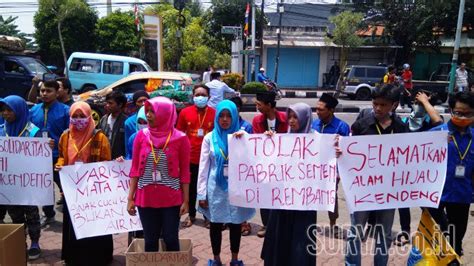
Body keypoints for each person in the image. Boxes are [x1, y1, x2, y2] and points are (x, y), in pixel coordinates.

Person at [345, 84, 408, 266]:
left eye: (383, 104)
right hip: (363, 189)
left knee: (384, 234)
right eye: (375, 104)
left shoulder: (401, 128)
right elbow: (349, 151)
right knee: (355, 232)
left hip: (389, 191)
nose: (378, 108)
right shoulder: (361, 125)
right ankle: (351, 264)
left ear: (394, 105)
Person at [127, 97, 191, 252]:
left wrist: (186, 200)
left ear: (165, 113)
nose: (148, 115)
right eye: (147, 111)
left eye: (152, 112)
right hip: (145, 197)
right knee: (150, 241)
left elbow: (184, 172)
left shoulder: (181, 138)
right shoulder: (141, 136)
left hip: (171, 198)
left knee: (170, 239)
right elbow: (135, 169)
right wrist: (130, 198)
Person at [197, 100, 255, 266]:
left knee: (236, 224)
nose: (224, 119)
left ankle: (235, 259)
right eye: (221, 115)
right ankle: (216, 259)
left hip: (237, 187)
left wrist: (244, 141)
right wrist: (201, 193)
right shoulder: (209, 138)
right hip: (216, 188)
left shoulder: (242, 136)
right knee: (215, 224)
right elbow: (203, 167)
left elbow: (256, 158)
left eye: (229, 116)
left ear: (235, 117)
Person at [55, 102, 113, 265]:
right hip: (72, 188)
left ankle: (98, 257)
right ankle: (73, 256)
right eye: (75, 116)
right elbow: (61, 155)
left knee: (94, 222)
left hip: (93, 189)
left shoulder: (99, 137)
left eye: (82, 116)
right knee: (74, 223)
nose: (78, 120)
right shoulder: (65, 136)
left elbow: (106, 162)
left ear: (89, 117)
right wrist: (59, 164)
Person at [261, 102, 317, 266]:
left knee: (300, 240)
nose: (291, 121)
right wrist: (268, 142)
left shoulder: (316, 140)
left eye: (296, 117)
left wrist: (335, 149)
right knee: (280, 235)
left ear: (305, 118)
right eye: (289, 116)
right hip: (283, 200)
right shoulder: (283, 138)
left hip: (304, 202)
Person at [428, 92, 474, 256]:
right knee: (429, 239)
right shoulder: (435, 134)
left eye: (468, 114)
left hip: (462, 196)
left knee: (456, 240)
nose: (463, 117)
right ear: (451, 110)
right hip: (435, 196)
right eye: (458, 113)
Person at [0, 96, 44, 260]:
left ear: (19, 110)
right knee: (15, 215)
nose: (5, 113)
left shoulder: (33, 131)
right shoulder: (1, 130)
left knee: (31, 214)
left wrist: (46, 147)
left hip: (28, 184)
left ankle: (35, 242)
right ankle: (20, 241)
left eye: (9, 110)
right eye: (3, 110)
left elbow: (40, 157)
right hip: (9, 185)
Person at [30, 80, 70, 227]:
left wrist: (59, 144)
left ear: (56, 91)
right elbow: (29, 132)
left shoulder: (66, 111)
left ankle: (71, 215)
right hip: (39, 157)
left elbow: (70, 135)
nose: (44, 94)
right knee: (43, 187)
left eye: (48, 91)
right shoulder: (34, 111)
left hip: (58, 157)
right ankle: (49, 214)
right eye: (42, 91)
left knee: (65, 187)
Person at [176, 84, 216, 228]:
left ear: (209, 97)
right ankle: (191, 215)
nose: (200, 97)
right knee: (190, 188)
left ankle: (207, 216)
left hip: (208, 159)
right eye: (197, 95)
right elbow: (179, 135)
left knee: (207, 188)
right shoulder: (185, 112)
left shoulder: (214, 113)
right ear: (193, 96)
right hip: (189, 158)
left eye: (203, 95)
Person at [311, 93, 349, 238]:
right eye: (316, 109)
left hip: (332, 171)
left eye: (321, 109)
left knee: (330, 198)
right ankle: (309, 224)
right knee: (311, 196)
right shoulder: (314, 124)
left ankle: (333, 224)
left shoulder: (342, 127)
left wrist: (339, 172)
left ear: (331, 110)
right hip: (313, 169)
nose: (317, 112)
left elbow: (346, 151)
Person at [252, 91, 288, 238]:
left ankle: (280, 225)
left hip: (283, 165)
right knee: (265, 196)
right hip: (265, 165)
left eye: (259, 105)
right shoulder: (256, 121)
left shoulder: (285, 118)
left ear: (268, 105)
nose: (257, 107)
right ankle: (266, 225)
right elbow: (255, 141)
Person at [98, 91, 128, 159]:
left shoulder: (126, 122)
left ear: (120, 105)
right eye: (107, 102)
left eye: (110, 103)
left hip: (119, 163)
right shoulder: (103, 120)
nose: (107, 105)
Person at [124, 91, 150, 158]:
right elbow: (129, 149)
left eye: (145, 100)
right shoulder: (129, 123)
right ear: (135, 104)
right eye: (140, 101)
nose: (143, 104)